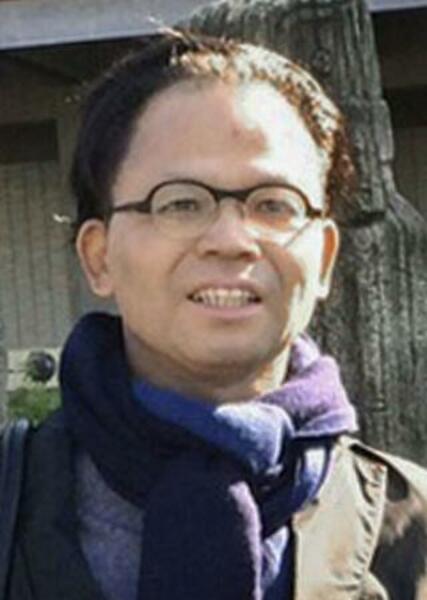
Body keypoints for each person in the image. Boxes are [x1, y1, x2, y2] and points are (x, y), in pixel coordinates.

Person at [5, 30, 427, 600]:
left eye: (274, 204)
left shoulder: (413, 528)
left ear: (325, 259)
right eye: (181, 203)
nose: (232, 240)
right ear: (99, 257)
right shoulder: (14, 503)